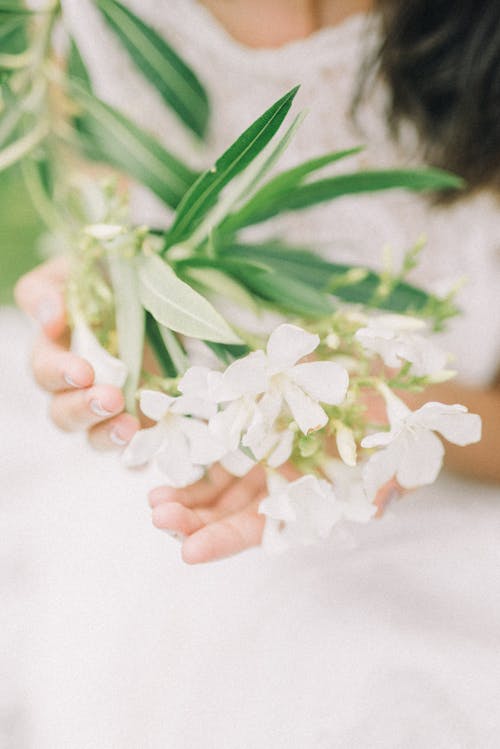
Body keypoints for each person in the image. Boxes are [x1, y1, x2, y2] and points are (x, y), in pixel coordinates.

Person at [9, 1, 500, 746]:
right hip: (215, 461)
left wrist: (388, 409)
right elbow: (117, 216)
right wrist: (106, 312)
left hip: (460, 489)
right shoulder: (104, 15)